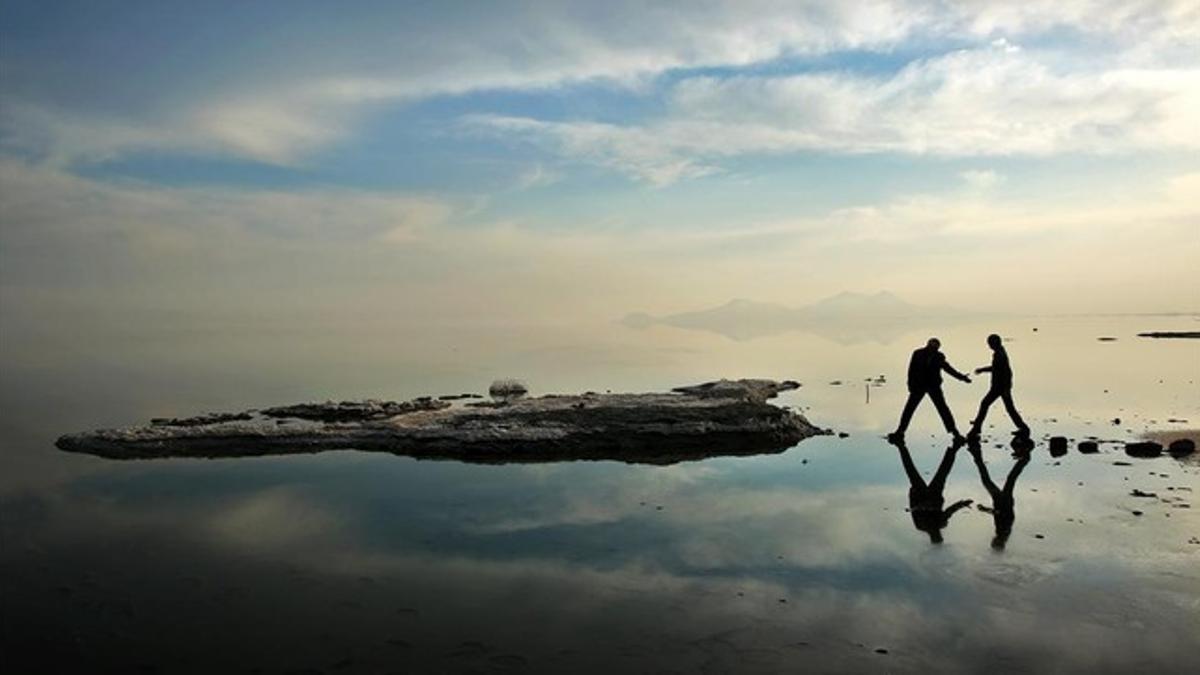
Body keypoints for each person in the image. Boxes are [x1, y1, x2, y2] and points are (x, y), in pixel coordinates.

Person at [890, 436, 972, 544]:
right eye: (939, 535)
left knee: (912, 470)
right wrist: (962, 504)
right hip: (934, 496)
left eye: (937, 536)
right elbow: (949, 511)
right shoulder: (940, 524)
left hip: (920, 495)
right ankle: (954, 448)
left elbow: (913, 509)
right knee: (942, 472)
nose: (938, 533)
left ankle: (901, 447)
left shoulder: (921, 525)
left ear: (933, 537)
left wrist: (923, 504)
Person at [888, 338, 971, 442]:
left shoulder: (939, 356)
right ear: (927, 346)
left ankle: (955, 433)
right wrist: (910, 384)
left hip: (933, 386)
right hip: (919, 385)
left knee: (942, 409)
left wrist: (962, 377)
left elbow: (948, 369)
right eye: (932, 347)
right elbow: (911, 369)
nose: (933, 349)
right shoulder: (918, 353)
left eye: (935, 348)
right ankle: (900, 432)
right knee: (909, 409)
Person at [967, 439, 1030, 550]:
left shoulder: (1004, 533)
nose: (992, 540)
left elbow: (1001, 515)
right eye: (994, 542)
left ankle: (1023, 460)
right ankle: (976, 454)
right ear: (998, 542)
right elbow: (1000, 514)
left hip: (1003, 502)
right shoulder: (1003, 531)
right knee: (992, 480)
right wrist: (984, 509)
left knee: (1007, 479)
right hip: (1003, 502)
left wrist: (989, 510)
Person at [967, 334, 1030, 439]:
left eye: (990, 343)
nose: (989, 346)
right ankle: (1023, 428)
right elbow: (997, 368)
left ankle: (976, 429)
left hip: (1000, 387)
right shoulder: (1000, 353)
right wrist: (982, 370)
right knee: (1007, 408)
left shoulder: (999, 354)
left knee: (986, 404)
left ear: (994, 343)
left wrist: (1006, 388)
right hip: (999, 386)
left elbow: (1005, 372)